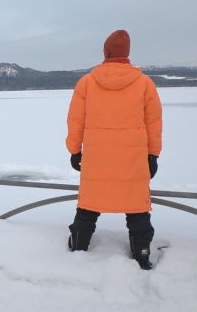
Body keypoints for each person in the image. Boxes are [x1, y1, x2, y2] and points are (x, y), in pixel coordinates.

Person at [65, 30, 162, 270]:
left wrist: (75, 150)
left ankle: (78, 246)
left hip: (97, 158)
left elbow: (75, 121)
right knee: (137, 207)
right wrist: (153, 155)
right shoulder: (144, 83)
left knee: (89, 204)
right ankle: (141, 254)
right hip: (133, 159)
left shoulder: (87, 83)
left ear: (106, 52)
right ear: (126, 54)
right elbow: (154, 123)